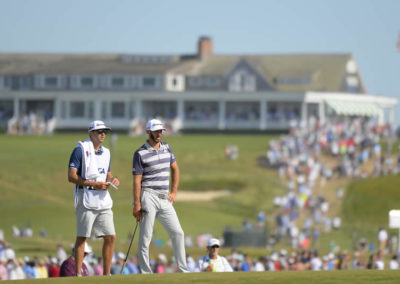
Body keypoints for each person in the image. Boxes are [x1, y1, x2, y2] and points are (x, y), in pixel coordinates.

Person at [132, 118, 188, 273]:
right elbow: (137, 181)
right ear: (148, 132)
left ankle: (183, 269)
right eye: (156, 131)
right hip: (148, 195)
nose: (159, 134)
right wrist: (137, 203)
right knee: (146, 237)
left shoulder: (167, 148)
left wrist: (174, 191)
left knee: (178, 233)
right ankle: (145, 272)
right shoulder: (140, 153)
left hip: (165, 198)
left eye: (160, 131)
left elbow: (175, 169)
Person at [68, 120, 120, 276]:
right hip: (86, 196)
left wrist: (112, 180)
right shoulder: (80, 150)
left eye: (105, 131)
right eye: (99, 131)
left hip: (103, 199)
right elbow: (71, 177)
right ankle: (78, 274)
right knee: (82, 237)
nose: (103, 134)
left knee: (110, 236)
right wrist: (93, 184)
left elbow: (107, 174)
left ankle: (107, 275)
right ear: (91, 133)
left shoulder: (107, 152)